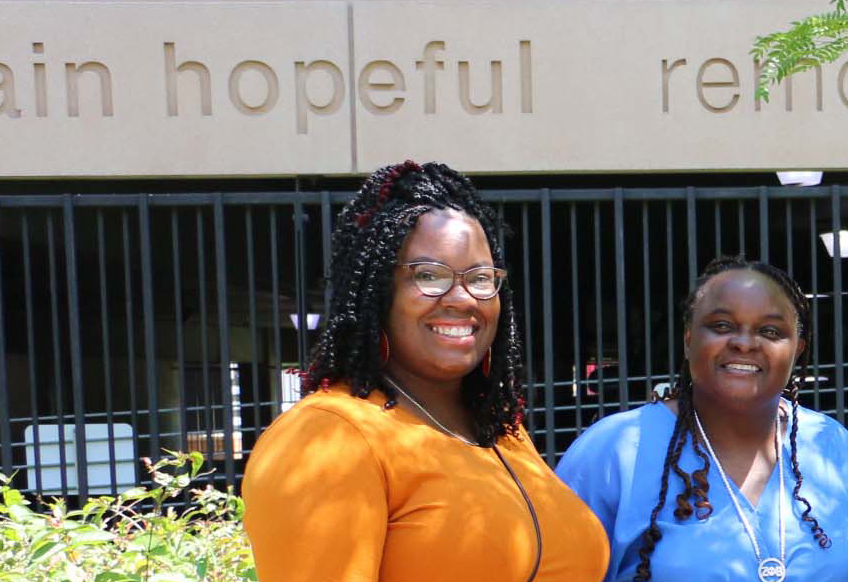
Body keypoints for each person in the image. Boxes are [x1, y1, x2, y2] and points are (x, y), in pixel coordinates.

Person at [243, 160, 608, 581]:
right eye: (429, 276)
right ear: (379, 291)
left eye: (481, 277)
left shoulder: (501, 432)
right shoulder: (330, 435)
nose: (462, 298)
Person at [556, 257, 848, 582]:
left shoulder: (834, 448)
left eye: (770, 331)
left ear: (797, 350)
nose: (744, 342)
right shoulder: (612, 453)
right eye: (722, 326)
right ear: (688, 340)